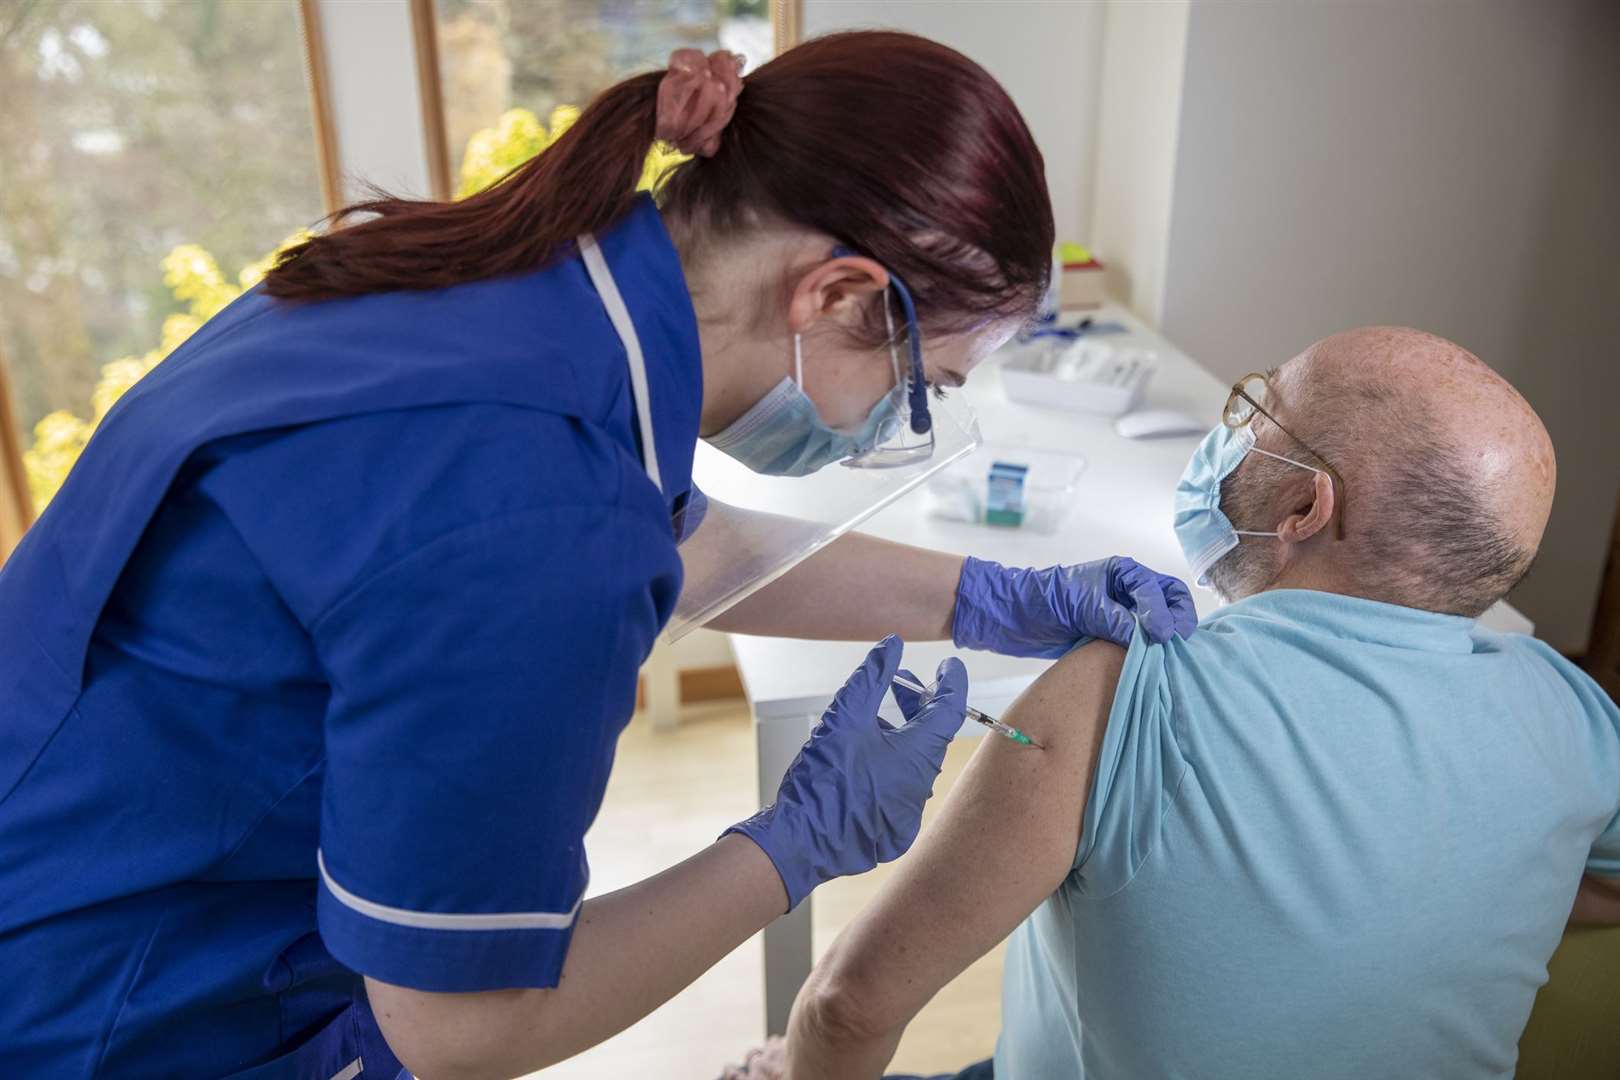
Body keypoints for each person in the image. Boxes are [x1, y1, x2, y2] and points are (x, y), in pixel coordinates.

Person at [0, 32, 1196, 1080]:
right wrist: (793, 847)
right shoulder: (536, 511)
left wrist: (997, 597)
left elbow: (695, 543)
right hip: (106, 1001)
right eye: (922, 388)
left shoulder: (527, 288)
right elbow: (460, 1031)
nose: (900, 424)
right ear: (837, 294)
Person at [725, 327, 1620, 1080]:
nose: (1231, 437)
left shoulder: (1124, 692)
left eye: (1255, 412)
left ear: (1307, 506)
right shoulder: (1577, 718)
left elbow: (848, 1006)